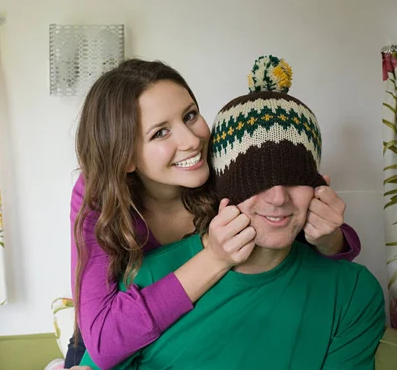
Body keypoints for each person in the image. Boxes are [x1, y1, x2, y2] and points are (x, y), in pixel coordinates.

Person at [77, 55, 385, 369]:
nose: (191, 140)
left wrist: (331, 239)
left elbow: (285, 229)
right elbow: (102, 342)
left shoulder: (213, 164)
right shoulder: (101, 204)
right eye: (159, 132)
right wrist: (216, 257)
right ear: (124, 158)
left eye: (190, 115)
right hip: (113, 330)